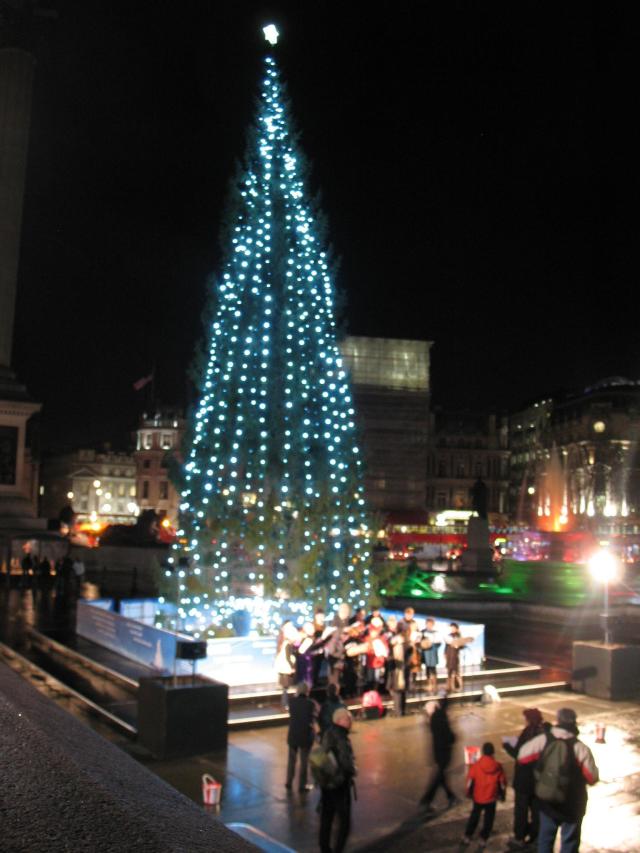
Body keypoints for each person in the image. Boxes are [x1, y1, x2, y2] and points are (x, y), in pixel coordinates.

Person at [517, 707, 599, 853]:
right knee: (569, 843)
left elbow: (522, 756)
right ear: (574, 722)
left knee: (545, 841)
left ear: (558, 721)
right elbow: (592, 778)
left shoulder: (544, 740)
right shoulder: (580, 748)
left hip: (548, 803)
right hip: (573, 806)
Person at [503, 707, 545, 848]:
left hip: (524, 779)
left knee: (521, 810)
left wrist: (507, 746)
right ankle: (535, 836)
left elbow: (520, 754)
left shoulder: (528, 732)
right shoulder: (544, 733)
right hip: (538, 780)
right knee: (536, 810)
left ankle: (519, 837)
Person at [319, 707, 356, 853]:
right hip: (339, 784)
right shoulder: (341, 736)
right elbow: (346, 761)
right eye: (348, 718)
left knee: (327, 817)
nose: (351, 721)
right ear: (340, 720)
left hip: (327, 782)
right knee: (344, 821)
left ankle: (324, 848)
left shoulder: (327, 732)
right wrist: (353, 770)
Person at [461, 741, 506, 848]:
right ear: (493, 753)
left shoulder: (476, 765)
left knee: (474, 816)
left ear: (483, 752)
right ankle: (483, 838)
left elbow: (470, 781)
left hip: (478, 797)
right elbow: (502, 782)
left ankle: (468, 835)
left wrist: (469, 793)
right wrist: (502, 795)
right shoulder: (498, 766)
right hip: (491, 797)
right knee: (489, 819)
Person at [419, 691, 457, 811]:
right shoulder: (442, 717)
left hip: (437, 751)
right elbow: (448, 736)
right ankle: (426, 800)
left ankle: (450, 796)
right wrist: (453, 737)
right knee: (439, 777)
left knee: (441, 775)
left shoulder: (435, 717)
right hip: (443, 752)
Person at [286, 682, 318, 792]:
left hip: (293, 734)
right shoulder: (310, 704)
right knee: (304, 761)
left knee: (291, 760)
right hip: (305, 735)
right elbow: (314, 716)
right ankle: (302, 785)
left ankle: (289, 782)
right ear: (307, 691)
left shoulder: (292, 702)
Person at [386, 615, 408, 716]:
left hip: (397, 666)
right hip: (403, 667)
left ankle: (398, 711)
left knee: (397, 689)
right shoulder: (406, 640)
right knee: (401, 689)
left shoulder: (394, 640)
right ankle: (401, 710)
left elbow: (390, 653)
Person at [275, 620, 299, 708]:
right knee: (286, 687)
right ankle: (286, 703)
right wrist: (292, 667)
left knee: (286, 687)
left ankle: (286, 703)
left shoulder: (284, 642)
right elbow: (288, 656)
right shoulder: (286, 643)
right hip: (286, 667)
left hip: (284, 667)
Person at [420, 617, 443, 694]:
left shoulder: (435, 632)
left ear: (433, 624)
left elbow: (439, 643)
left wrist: (434, 646)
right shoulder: (422, 632)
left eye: (430, 624)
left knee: (433, 669)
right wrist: (423, 645)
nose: (429, 625)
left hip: (432, 651)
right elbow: (420, 642)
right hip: (426, 652)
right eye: (428, 624)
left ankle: (435, 685)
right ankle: (429, 685)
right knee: (427, 668)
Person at [445, 622, 463, 692]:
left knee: (457, 672)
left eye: (453, 628)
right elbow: (446, 646)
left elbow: (462, 646)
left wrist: (458, 645)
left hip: (455, 655)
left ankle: (459, 687)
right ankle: (449, 687)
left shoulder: (459, 636)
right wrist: (445, 654)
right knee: (449, 672)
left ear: (456, 628)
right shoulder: (448, 635)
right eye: (451, 628)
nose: (452, 629)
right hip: (449, 655)